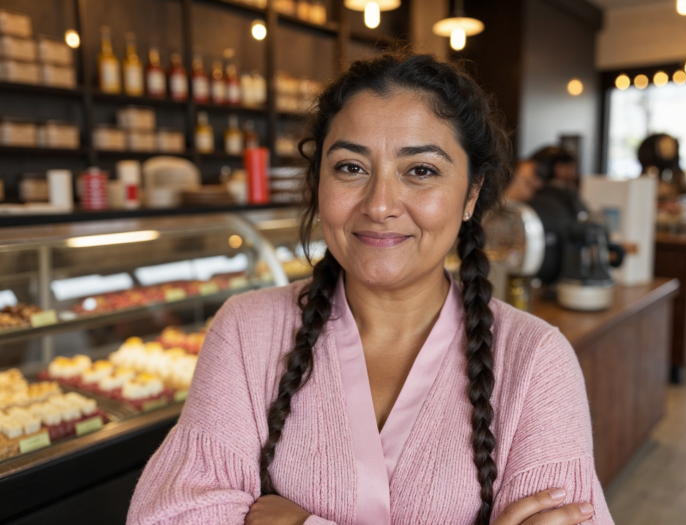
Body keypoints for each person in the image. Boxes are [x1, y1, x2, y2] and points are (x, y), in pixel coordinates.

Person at [128, 53, 613, 525]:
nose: (380, 204)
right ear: (319, 181)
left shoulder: (535, 361)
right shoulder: (246, 330)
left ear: (470, 193)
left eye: (421, 170)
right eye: (350, 168)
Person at [527, 146, 590, 286]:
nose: (575, 172)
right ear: (560, 168)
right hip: (568, 280)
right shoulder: (569, 199)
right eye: (573, 167)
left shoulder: (533, 200)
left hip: (536, 279)